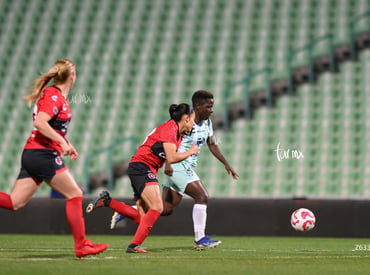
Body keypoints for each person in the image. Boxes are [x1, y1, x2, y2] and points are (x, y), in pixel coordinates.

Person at [0, 59, 108, 258]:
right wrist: (62, 142)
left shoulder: (57, 96)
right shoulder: (53, 95)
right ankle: (81, 245)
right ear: (72, 77)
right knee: (75, 194)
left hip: (35, 153)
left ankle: (82, 244)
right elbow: (41, 123)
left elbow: (51, 127)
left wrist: (66, 143)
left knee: (15, 203)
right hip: (42, 154)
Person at [111, 90, 239, 250]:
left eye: (212, 106)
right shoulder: (185, 122)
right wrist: (169, 165)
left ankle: (130, 210)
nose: (211, 110)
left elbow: (212, 143)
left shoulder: (207, 122)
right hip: (178, 166)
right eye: (208, 106)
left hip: (185, 166)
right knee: (202, 196)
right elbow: (170, 143)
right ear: (198, 107)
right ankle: (200, 239)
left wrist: (226, 163)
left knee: (166, 209)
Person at [86, 103, 198, 253]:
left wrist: (169, 166)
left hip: (142, 167)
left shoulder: (177, 133)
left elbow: (166, 156)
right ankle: (134, 246)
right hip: (142, 167)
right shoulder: (170, 129)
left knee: (142, 219)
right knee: (157, 207)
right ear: (185, 118)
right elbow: (171, 156)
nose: (193, 123)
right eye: (192, 119)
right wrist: (191, 151)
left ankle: (107, 201)